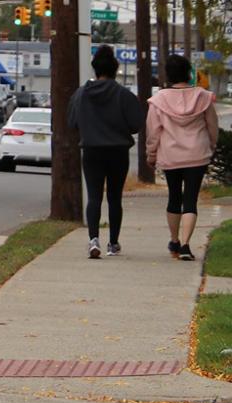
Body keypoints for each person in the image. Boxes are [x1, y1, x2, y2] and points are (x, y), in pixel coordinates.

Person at [68, 45, 145, 258]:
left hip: (91, 150)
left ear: (95, 69)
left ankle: (94, 239)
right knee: (114, 197)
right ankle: (113, 243)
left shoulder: (81, 94)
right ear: (114, 69)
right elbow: (136, 124)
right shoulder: (124, 95)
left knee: (94, 196)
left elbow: (72, 122)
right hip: (118, 152)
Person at [146, 54, 219, 261]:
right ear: (188, 73)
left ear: (168, 74)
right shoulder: (203, 97)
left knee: (174, 197)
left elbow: (153, 132)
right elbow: (212, 126)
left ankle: (174, 240)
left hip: (171, 155)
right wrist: (211, 146)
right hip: (197, 154)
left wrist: (151, 155)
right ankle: (186, 244)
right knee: (190, 200)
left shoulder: (158, 101)